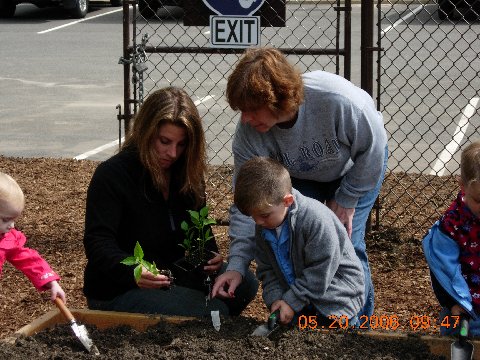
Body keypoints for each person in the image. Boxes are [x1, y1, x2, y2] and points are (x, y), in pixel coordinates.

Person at [212, 47, 388, 320]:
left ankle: (358, 327)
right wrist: (236, 264)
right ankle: (304, 315)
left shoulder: (336, 100)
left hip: (354, 171)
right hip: (300, 179)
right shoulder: (248, 134)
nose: (244, 118)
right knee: (292, 242)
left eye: (251, 109)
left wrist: (347, 198)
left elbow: (374, 149)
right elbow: (248, 205)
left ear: (277, 99)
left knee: (347, 243)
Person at [83, 86, 258, 317]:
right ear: (146, 133)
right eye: (164, 141)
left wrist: (209, 255)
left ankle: (204, 319)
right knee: (213, 311)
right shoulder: (113, 174)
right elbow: (98, 242)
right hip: (120, 287)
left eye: (182, 144)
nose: (172, 153)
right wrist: (134, 271)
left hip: (172, 272)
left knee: (246, 285)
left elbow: (198, 230)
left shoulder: (185, 173)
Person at [234, 157, 365, 326]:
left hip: (337, 303)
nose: (258, 222)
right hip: (300, 302)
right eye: (253, 216)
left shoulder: (315, 219)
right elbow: (267, 269)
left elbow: (320, 271)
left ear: (287, 201)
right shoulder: (264, 225)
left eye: (264, 215)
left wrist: (291, 301)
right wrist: (276, 299)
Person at [423, 140, 480, 336]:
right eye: (478, 200)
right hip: (464, 306)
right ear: (462, 186)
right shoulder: (451, 227)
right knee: (456, 330)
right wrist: (453, 303)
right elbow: (442, 270)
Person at [0, 172, 66, 304]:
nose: (12, 225)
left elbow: (28, 259)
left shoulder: (7, 238)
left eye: (14, 220)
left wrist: (51, 282)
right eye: (6, 219)